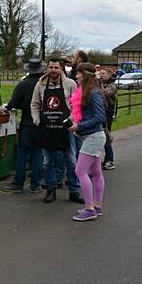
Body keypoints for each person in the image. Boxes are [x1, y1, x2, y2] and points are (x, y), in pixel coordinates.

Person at [31, 57, 84, 204]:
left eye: (56, 68)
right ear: (47, 68)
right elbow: (34, 104)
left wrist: (71, 120)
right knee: (48, 162)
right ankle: (51, 189)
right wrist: (37, 121)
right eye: (51, 67)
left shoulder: (70, 84)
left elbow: (77, 105)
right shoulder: (40, 85)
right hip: (47, 129)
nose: (53, 70)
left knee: (71, 161)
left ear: (61, 68)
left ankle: (74, 191)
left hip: (66, 130)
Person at [68, 62, 107, 221]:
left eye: (78, 73)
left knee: (80, 171)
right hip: (92, 136)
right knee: (96, 173)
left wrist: (79, 125)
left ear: (85, 75)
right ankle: (96, 206)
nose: (76, 76)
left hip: (94, 137)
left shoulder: (94, 93)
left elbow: (100, 117)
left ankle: (89, 209)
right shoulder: (86, 91)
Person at [0, 58, 44, 193]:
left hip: (27, 123)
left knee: (22, 154)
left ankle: (18, 183)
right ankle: (35, 185)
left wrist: (6, 107)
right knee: (37, 154)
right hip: (41, 124)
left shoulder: (23, 84)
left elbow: (14, 103)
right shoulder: (44, 84)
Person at [100, 68, 117, 170]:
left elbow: (105, 93)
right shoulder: (103, 83)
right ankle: (106, 158)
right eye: (100, 73)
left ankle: (110, 159)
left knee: (106, 135)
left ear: (109, 74)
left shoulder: (112, 85)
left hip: (108, 112)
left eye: (103, 73)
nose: (101, 75)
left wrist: (98, 83)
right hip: (100, 111)